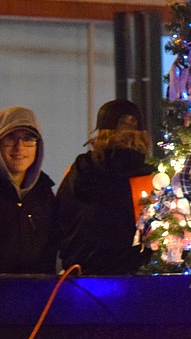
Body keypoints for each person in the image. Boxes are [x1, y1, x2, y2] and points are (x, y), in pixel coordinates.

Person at [56, 99, 155, 274]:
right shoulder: (148, 180)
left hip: (76, 278)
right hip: (131, 283)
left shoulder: (75, 171)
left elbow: (59, 221)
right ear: (142, 137)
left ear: (100, 134)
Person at [0, 106, 57, 274]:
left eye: (28, 139)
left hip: (38, 294)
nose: (19, 147)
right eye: (10, 138)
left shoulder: (44, 192)